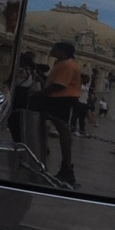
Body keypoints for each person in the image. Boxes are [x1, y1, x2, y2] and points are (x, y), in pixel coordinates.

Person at [40, 40, 83, 187]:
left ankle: (66, 166)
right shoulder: (60, 63)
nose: (52, 49)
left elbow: (59, 85)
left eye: (55, 48)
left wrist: (41, 93)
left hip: (61, 99)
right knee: (50, 126)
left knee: (62, 129)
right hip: (58, 99)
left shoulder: (67, 65)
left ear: (63, 52)